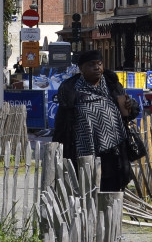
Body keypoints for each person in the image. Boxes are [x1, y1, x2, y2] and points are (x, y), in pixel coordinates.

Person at [51, 50, 135, 192]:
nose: (97, 67)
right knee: (86, 189)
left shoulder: (112, 86)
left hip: (113, 151)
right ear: (81, 69)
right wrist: (58, 149)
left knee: (111, 190)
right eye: (91, 65)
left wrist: (131, 106)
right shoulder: (71, 90)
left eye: (99, 64)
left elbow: (128, 113)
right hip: (83, 150)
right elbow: (62, 123)